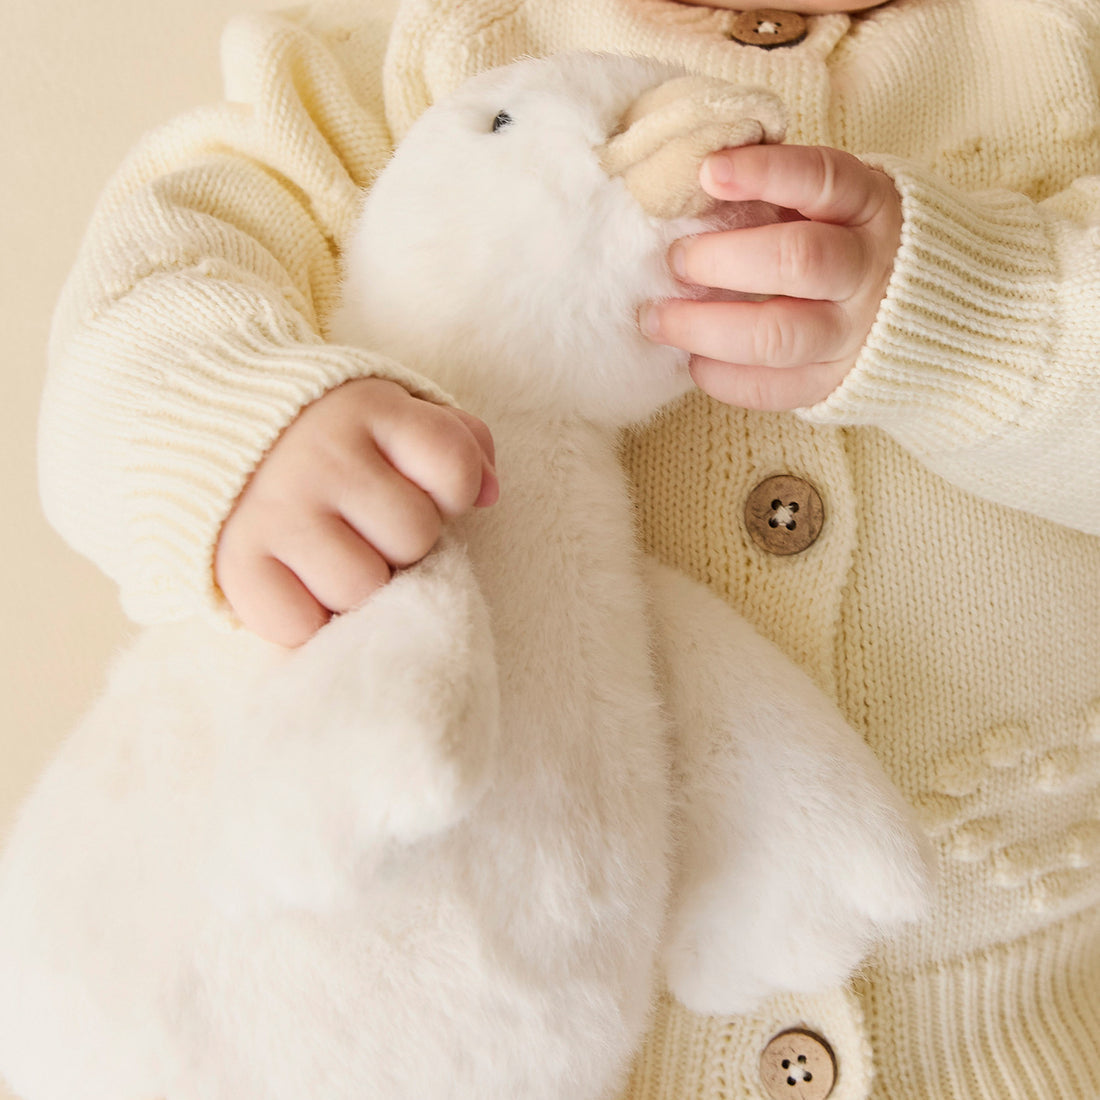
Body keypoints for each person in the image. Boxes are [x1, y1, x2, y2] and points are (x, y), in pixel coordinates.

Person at [39, 0, 1100, 1096]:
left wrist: (981, 316)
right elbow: (147, 287)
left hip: (1006, 1041)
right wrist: (244, 429)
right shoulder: (405, 72)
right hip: (488, 1024)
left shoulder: (1063, 56)